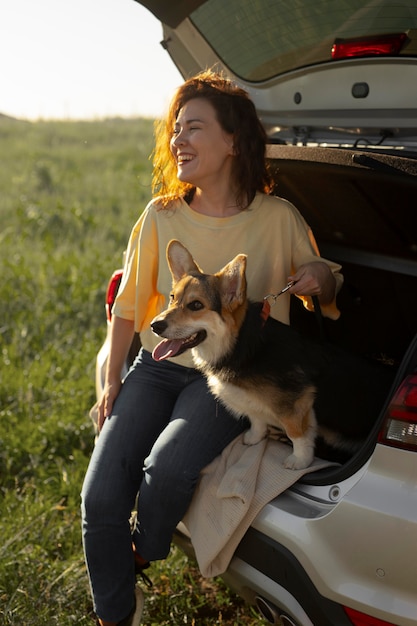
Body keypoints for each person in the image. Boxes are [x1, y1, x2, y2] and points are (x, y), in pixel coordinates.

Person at [81, 69, 343, 626]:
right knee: (99, 497)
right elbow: (127, 306)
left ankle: (142, 550)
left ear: (232, 141)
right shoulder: (160, 215)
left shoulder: (277, 217)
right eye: (175, 129)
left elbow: (324, 276)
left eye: (193, 128)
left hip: (227, 378)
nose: (177, 139)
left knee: (168, 471)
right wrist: (111, 385)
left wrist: (320, 275)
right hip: (158, 367)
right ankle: (114, 614)